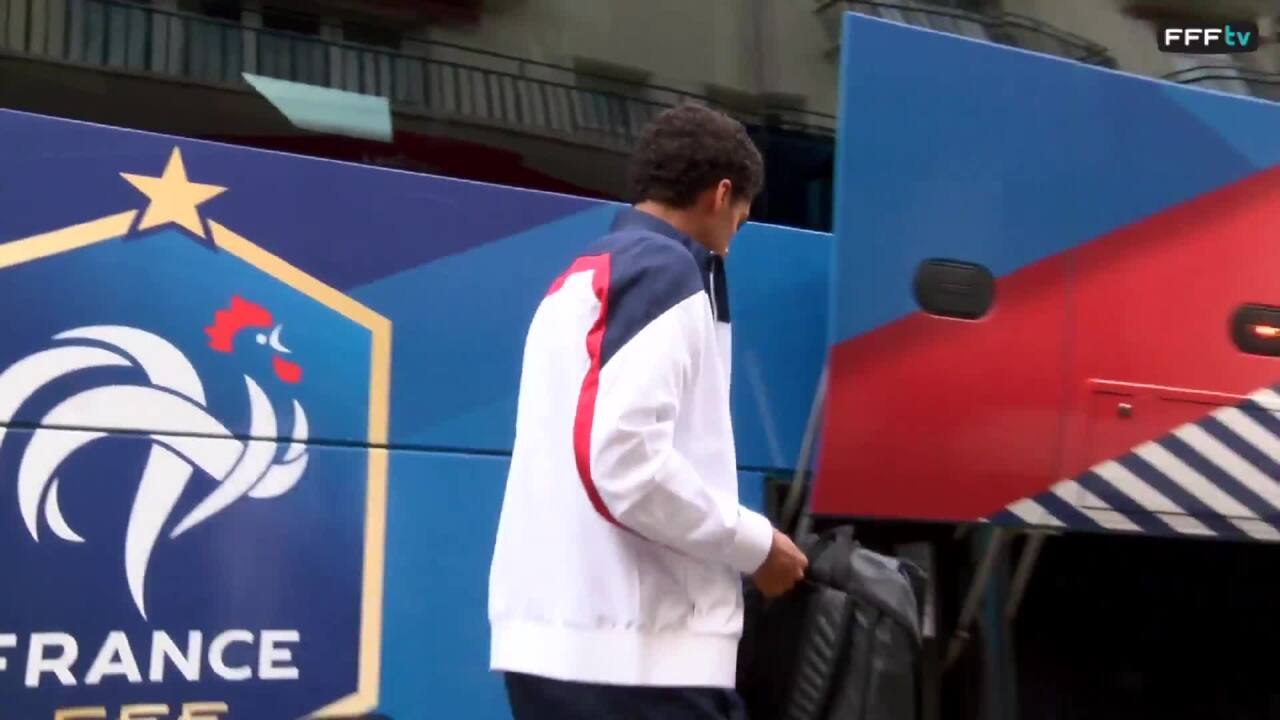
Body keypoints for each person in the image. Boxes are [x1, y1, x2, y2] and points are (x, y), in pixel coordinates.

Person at [488, 104, 809, 720]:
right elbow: (626, 463)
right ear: (721, 194)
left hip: (562, 646)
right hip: (636, 657)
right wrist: (757, 544)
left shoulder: (582, 277)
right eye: (745, 206)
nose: (743, 223)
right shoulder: (665, 273)